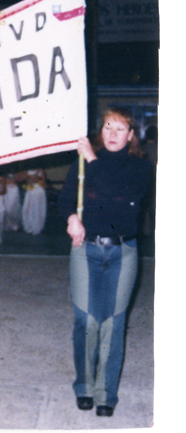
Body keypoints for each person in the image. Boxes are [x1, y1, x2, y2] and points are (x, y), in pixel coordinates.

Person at [57, 107, 151, 417]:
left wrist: (92, 159)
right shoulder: (83, 162)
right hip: (87, 251)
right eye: (107, 127)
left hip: (122, 253)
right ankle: (84, 387)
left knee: (113, 323)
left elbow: (117, 196)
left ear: (131, 135)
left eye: (120, 128)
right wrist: (71, 217)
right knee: (87, 321)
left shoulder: (140, 168)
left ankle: (106, 393)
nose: (112, 134)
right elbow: (65, 198)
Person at [22, 168, 47, 235]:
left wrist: (35, 178)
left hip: (38, 190)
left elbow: (43, 182)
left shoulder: (41, 170)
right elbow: (27, 181)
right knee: (27, 209)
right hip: (30, 190)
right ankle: (29, 227)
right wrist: (32, 178)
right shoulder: (27, 171)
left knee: (37, 209)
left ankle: (37, 228)